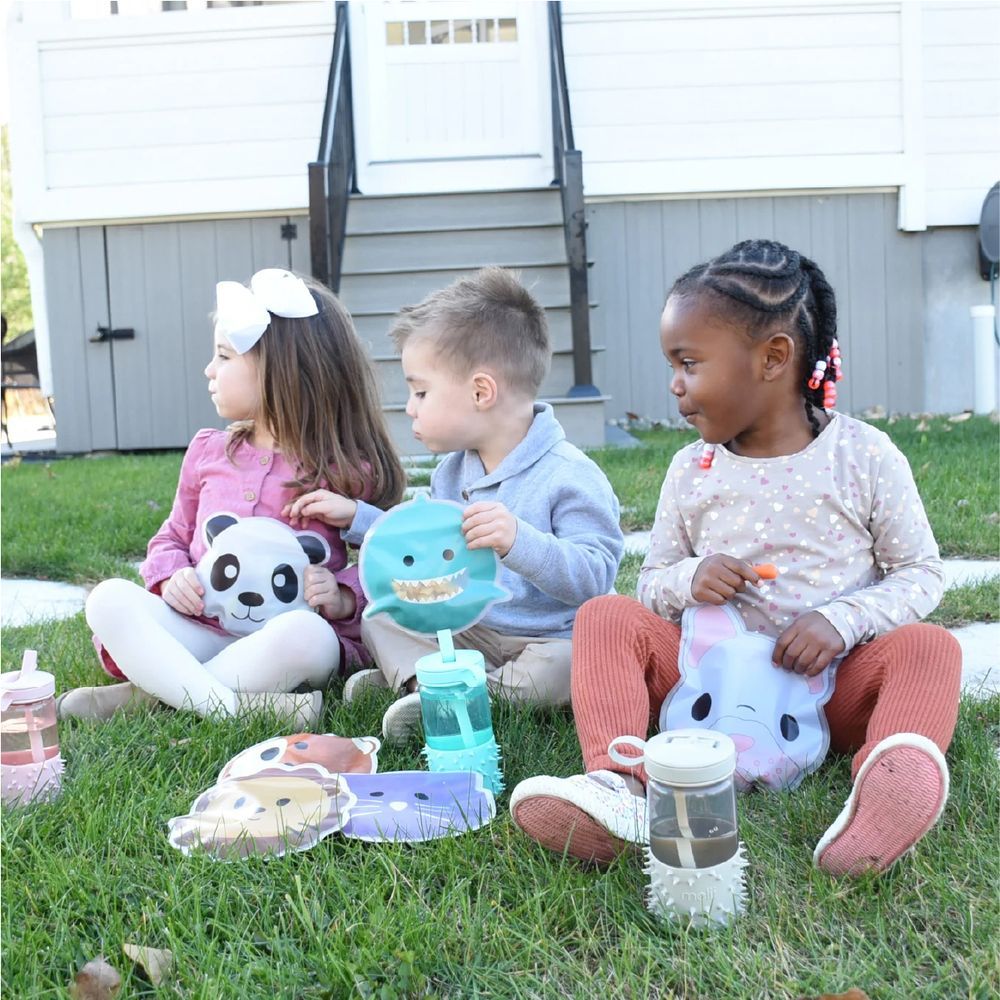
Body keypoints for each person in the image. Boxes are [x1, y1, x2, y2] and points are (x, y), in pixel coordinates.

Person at [509, 239, 962, 877]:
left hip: (830, 688)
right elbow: (652, 585)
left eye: (689, 363)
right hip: (703, 681)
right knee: (605, 615)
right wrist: (691, 579)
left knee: (931, 648)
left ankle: (888, 788)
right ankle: (620, 789)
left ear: (772, 358)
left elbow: (921, 572)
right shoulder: (690, 470)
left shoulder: (863, 456)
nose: (675, 385)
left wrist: (842, 621)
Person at [285, 267, 624, 742]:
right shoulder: (453, 471)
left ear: (481, 392)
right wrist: (361, 520)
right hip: (469, 631)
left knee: (570, 665)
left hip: (546, 639)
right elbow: (427, 542)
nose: (410, 407)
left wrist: (519, 542)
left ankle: (461, 693)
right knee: (381, 616)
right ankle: (422, 684)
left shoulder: (569, 474)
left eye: (420, 391)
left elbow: (596, 576)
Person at [56, 268, 405, 728]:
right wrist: (172, 576)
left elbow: (392, 557)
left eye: (223, 356)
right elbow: (172, 537)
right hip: (198, 629)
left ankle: (152, 694)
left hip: (277, 645)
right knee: (107, 599)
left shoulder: (344, 469)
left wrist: (342, 594)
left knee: (310, 636)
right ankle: (232, 705)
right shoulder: (208, 453)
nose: (209, 370)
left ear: (283, 371)